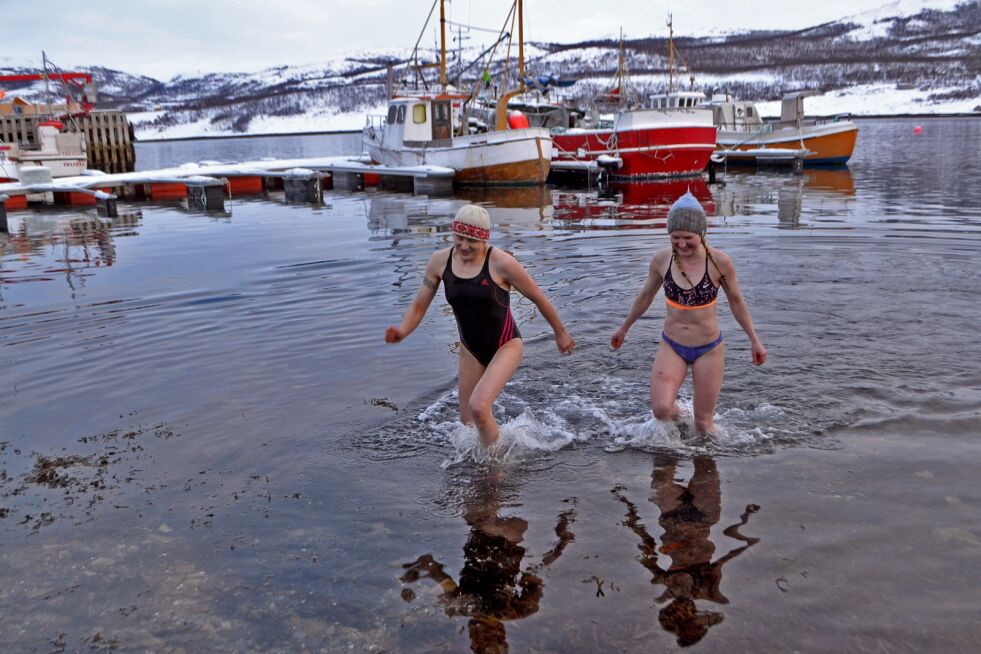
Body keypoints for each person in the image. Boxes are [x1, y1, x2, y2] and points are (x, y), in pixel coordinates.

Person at [385, 204, 575, 446]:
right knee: (468, 425)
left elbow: (538, 297)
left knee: (479, 407)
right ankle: (486, 460)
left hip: (505, 346)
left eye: (472, 240)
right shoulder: (439, 262)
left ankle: (496, 468)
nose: (464, 245)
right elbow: (419, 306)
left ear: (484, 239)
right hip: (470, 350)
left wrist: (560, 333)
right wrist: (402, 331)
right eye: (459, 238)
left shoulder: (502, 263)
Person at [611, 191, 766, 435]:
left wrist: (754, 341)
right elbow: (645, 296)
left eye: (688, 238)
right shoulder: (662, 260)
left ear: (701, 233)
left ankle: (706, 468)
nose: (682, 244)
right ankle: (681, 417)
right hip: (672, 346)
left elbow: (736, 302)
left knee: (704, 424)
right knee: (661, 410)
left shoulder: (719, 263)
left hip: (709, 349)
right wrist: (624, 327)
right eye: (675, 238)